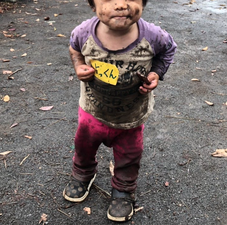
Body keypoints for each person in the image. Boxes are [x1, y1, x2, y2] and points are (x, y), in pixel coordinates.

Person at [63, 0, 176, 222]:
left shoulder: (153, 36)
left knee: (129, 154)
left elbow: (168, 50)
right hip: (92, 112)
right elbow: (74, 48)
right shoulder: (83, 32)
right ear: (92, 5)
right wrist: (78, 65)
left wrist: (155, 73)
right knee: (83, 145)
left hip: (131, 116)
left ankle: (124, 188)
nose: (121, 4)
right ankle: (83, 172)